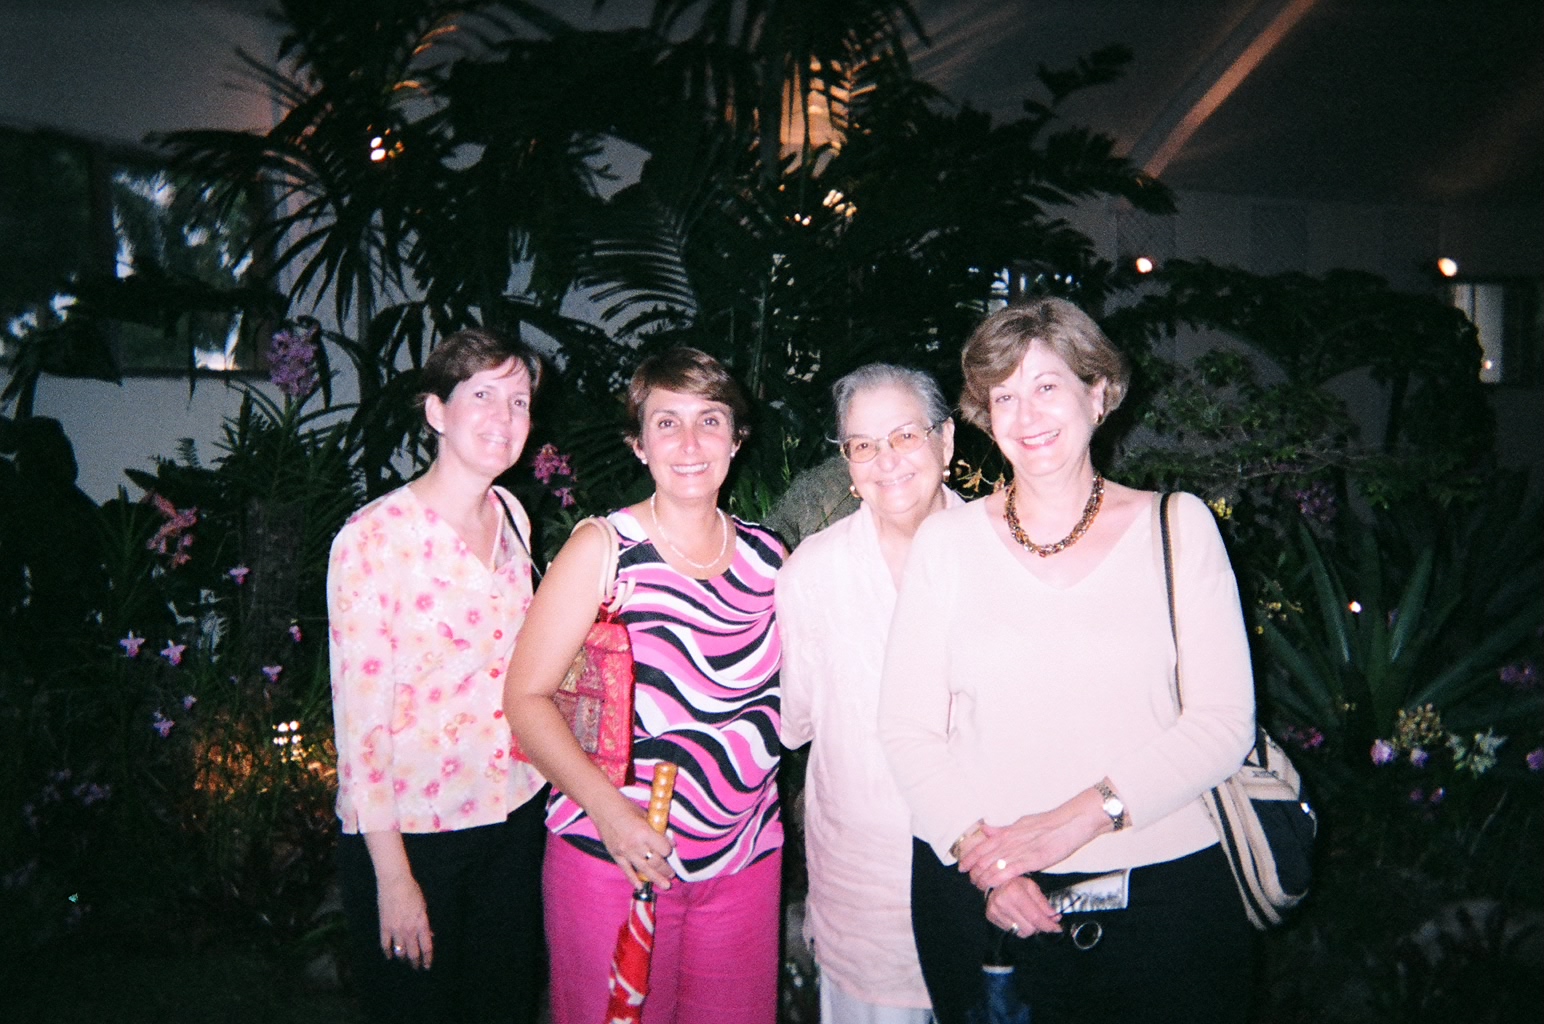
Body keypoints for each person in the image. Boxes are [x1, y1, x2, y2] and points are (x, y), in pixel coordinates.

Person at [877, 299, 1257, 1024]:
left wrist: (1076, 820)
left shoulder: (1177, 527)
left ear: (1098, 392)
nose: (1027, 415)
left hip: (1165, 898)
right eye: (1004, 396)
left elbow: (1222, 723)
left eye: (1047, 385)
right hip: (992, 902)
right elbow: (905, 729)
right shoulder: (947, 544)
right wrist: (987, 860)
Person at [504, 346, 785, 1024]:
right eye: (666, 423)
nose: (689, 443)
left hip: (744, 859)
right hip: (614, 857)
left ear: (736, 438)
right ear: (639, 444)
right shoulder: (604, 550)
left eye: (710, 420)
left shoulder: (771, 559)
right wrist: (612, 816)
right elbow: (524, 698)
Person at [328, 327, 548, 1023]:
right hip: (415, 833)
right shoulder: (372, 539)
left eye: (519, 401)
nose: (504, 417)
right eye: (482, 395)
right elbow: (360, 729)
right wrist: (394, 879)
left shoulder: (513, 516)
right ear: (435, 411)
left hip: (515, 813)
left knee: (504, 1006)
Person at [777, 364, 961, 1024]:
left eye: (905, 435)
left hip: (992, 876)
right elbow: (795, 720)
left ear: (946, 440)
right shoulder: (814, 572)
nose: (887, 460)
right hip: (866, 889)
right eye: (862, 445)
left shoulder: (1002, 553)